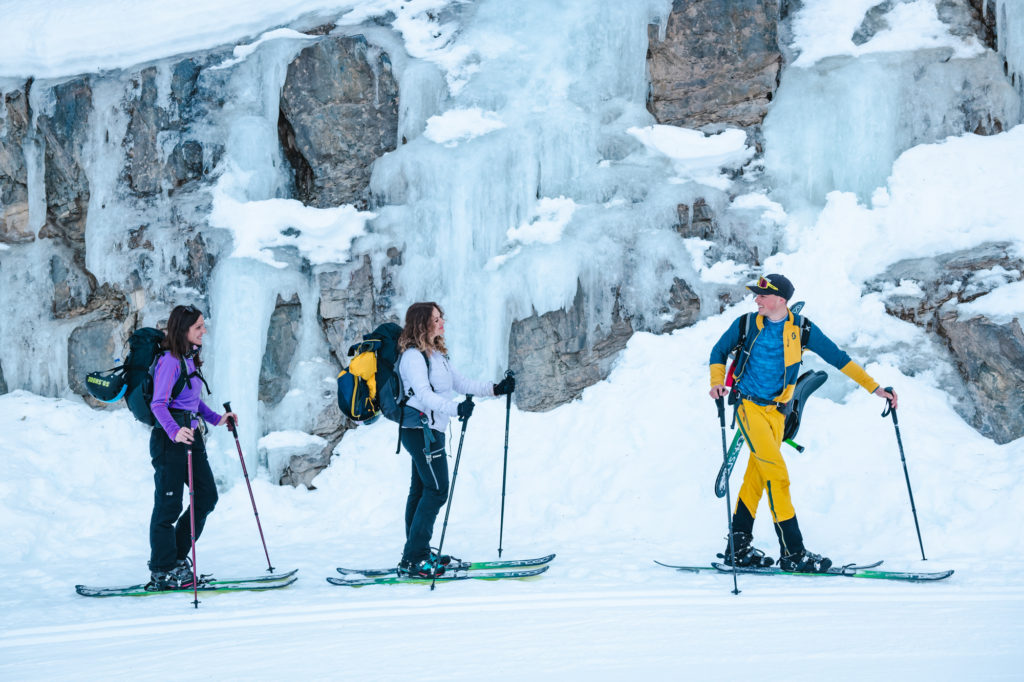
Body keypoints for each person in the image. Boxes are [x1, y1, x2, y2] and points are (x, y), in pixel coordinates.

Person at [708, 274, 897, 573]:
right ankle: (793, 553)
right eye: (756, 295)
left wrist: (875, 389)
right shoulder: (745, 324)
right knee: (778, 476)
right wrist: (717, 382)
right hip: (748, 408)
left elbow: (839, 358)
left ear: (780, 300)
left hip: (778, 414)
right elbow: (718, 351)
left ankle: (738, 547)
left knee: (756, 478)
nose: (756, 299)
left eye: (762, 295)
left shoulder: (802, 329)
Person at [395, 302, 515, 578]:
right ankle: (415, 557)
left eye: (441, 318)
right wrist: (456, 409)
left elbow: (460, 383)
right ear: (422, 323)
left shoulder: (435, 354)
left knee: (422, 489)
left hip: (429, 430)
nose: (442, 323)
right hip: (420, 431)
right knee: (437, 491)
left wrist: (496, 389)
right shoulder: (413, 357)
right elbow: (424, 395)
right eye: (436, 319)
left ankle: (414, 552)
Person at [147, 304, 238, 590]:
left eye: (202, 325)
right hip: (170, 439)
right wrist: (174, 432)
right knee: (168, 506)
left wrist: (217, 419)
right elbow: (158, 403)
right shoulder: (170, 361)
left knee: (207, 496)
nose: (203, 331)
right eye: (198, 327)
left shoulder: (189, 358)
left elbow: (191, 399)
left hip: (191, 435)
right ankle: (162, 569)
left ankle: (175, 560)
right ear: (183, 329)